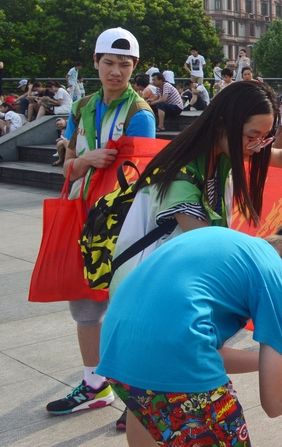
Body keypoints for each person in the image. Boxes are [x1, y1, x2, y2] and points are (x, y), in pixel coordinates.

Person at [98, 220, 282, 447]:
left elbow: (206, 351)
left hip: (116, 349)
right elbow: (276, 401)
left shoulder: (227, 241)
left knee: (145, 415)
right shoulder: (279, 282)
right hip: (174, 354)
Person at [108, 80, 282, 297]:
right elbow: (208, 245)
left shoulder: (221, 153)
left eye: (263, 138)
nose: (257, 147)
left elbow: (275, 156)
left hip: (176, 284)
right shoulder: (181, 175)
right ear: (224, 123)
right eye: (252, 137)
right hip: (143, 294)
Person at [47, 27, 156, 429]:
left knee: (129, 307)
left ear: (134, 68)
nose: (116, 71)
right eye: (109, 62)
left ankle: (139, 393)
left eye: (124, 65)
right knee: (86, 305)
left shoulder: (139, 114)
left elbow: (139, 176)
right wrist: (86, 159)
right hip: (85, 216)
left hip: (124, 222)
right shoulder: (82, 107)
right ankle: (95, 384)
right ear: (95, 63)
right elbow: (69, 166)